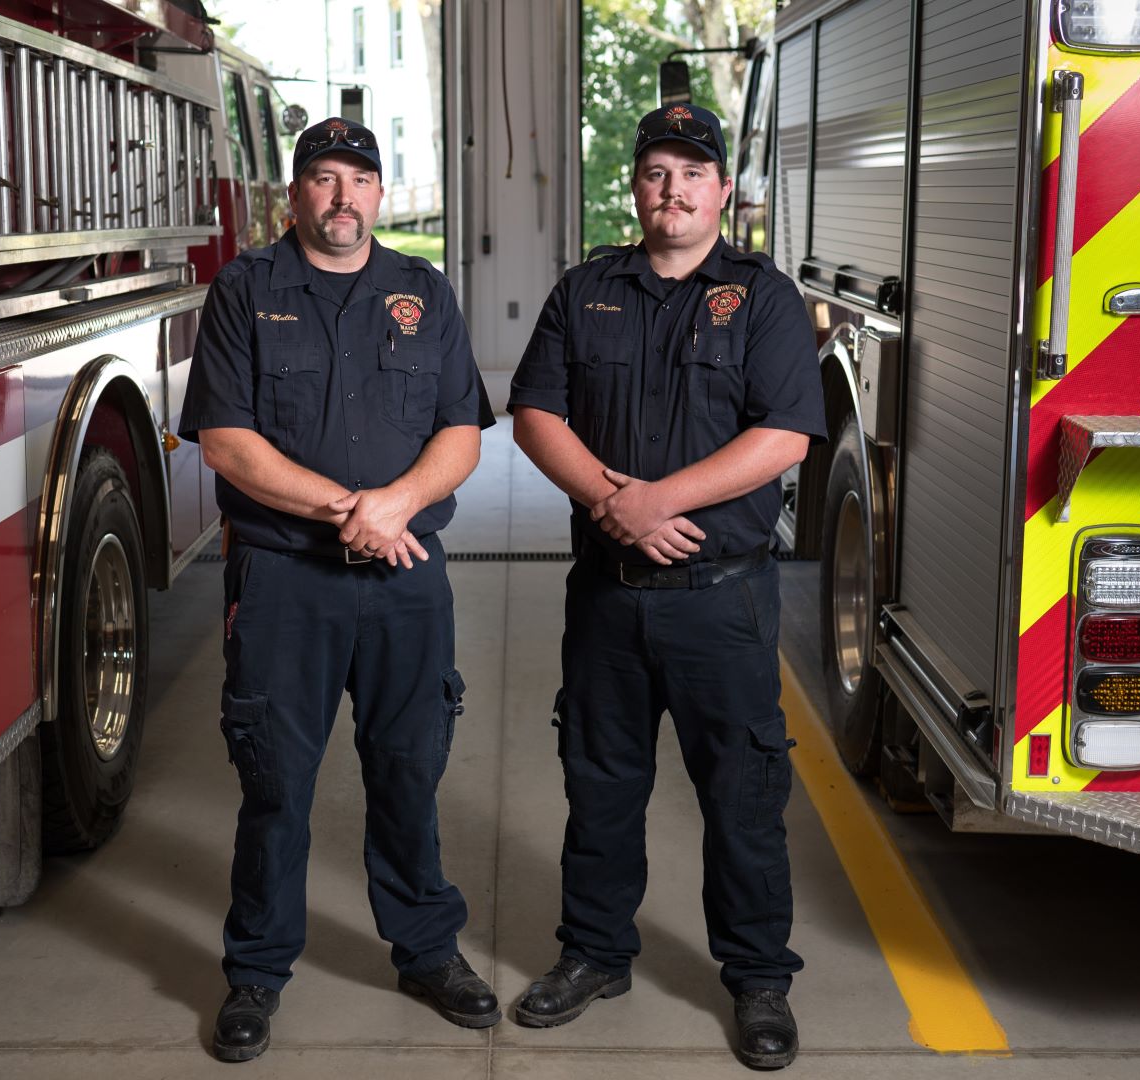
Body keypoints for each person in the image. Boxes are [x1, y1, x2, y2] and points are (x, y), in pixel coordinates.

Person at [506, 103, 823, 1070]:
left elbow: (784, 434)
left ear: (723, 189)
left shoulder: (762, 298)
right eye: (656, 171)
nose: (673, 189)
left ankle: (759, 977)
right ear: (636, 186)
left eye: (693, 171)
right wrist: (614, 503)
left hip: (721, 600)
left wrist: (653, 502)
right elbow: (532, 413)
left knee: (742, 790)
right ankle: (595, 954)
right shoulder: (586, 290)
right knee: (600, 783)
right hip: (606, 596)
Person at [178, 117, 497, 1063]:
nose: (340, 198)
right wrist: (347, 509)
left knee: (410, 768)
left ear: (381, 196)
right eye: (321, 179)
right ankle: (257, 971)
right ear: (295, 195)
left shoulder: (421, 293)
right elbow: (227, 440)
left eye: (358, 181)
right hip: (284, 581)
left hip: (405, 581)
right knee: (276, 784)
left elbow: (462, 431)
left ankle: (426, 949)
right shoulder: (246, 290)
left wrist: (395, 505)